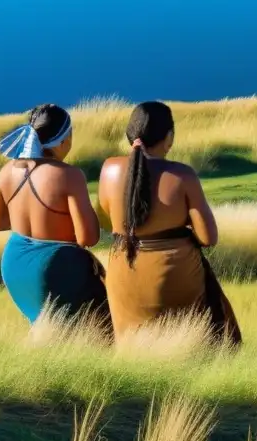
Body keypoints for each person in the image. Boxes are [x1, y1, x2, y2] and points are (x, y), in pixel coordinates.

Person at [98, 101, 241, 343]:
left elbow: (106, 221)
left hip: (122, 272)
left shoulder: (108, 169)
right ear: (169, 137)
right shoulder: (182, 175)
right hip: (172, 274)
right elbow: (209, 238)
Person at [0, 104, 110, 328]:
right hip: (56, 266)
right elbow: (88, 238)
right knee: (98, 330)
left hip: (14, 263)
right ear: (64, 139)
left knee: (46, 331)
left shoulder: (7, 171)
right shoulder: (69, 175)